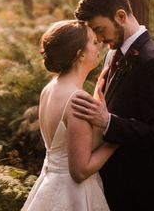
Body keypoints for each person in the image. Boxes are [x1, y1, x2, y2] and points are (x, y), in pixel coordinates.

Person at [71, 0, 154, 211]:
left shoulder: (153, 63)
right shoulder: (112, 54)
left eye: (99, 29)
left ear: (120, 16)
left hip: (135, 191)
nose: (97, 39)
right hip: (107, 186)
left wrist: (108, 123)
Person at [22, 20, 118, 211]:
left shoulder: (49, 89)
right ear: (80, 54)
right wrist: (114, 140)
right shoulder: (76, 100)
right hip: (73, 195)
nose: (99, 43)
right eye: (92, 42)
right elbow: (80, 171)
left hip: (49, 185)